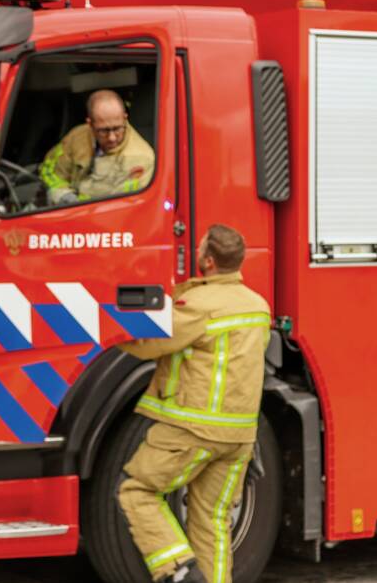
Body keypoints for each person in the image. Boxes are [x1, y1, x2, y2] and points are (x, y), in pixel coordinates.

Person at [117, 224, 271, 583]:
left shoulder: (199, 306)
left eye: (200, 248)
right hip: (240, 437)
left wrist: (107, 332)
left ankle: (180, 570)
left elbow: (151, 344)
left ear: (208, 260)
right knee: (212, 521)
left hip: (193, 429)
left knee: (137, 490)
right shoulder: (258, 306)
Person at [39, 88, 155, 205]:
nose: (112, 138)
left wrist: (77, 203)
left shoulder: (142, 158)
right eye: (103, 131)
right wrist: (62, 194)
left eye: (117, 128)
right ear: (90, 124)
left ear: (125, 118)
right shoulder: (76, 136)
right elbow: (49, 170)